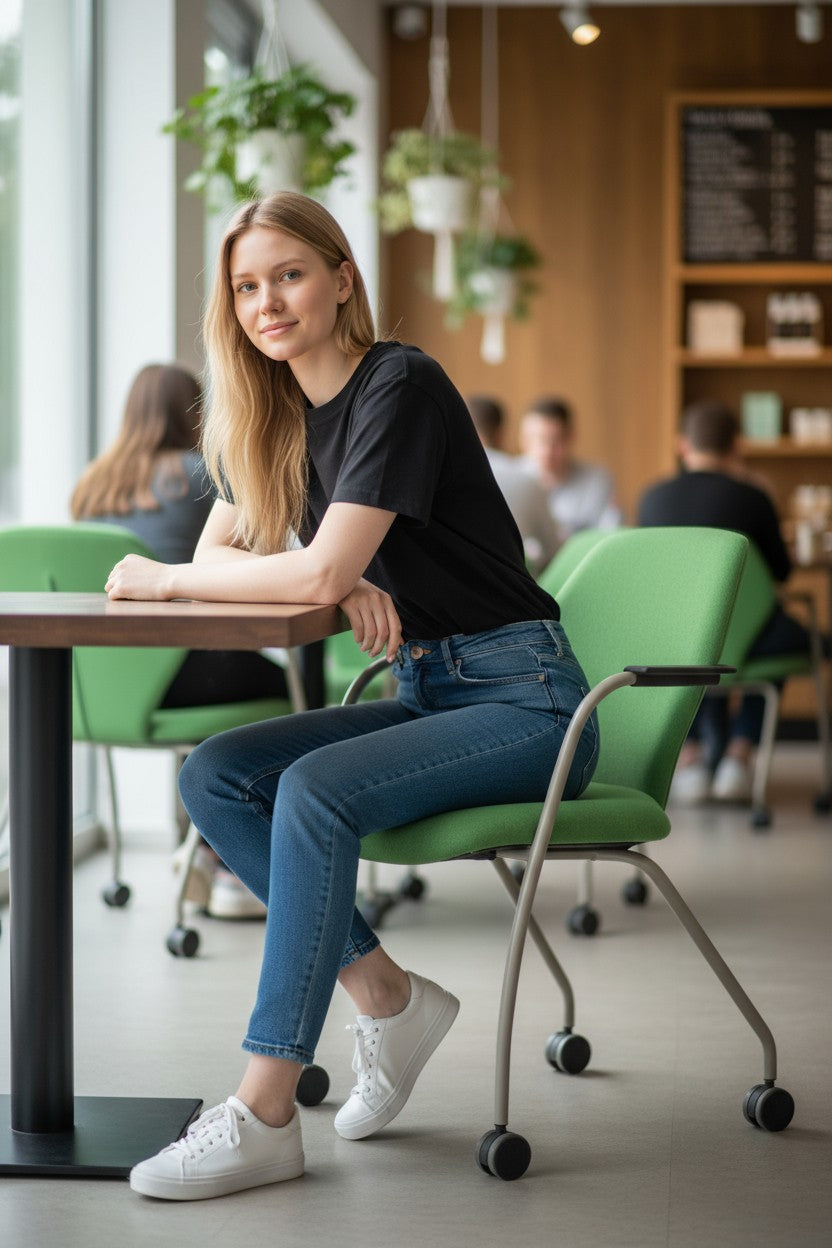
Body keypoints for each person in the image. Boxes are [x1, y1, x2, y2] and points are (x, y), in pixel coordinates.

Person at [104, 191, 600, 1203]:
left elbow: (254, 571)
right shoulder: (275, 414)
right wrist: (338, 574)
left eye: (288, 275)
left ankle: (264, 1113)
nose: (267, 302)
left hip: (529, 702)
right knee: (219, 775)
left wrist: (299, 573)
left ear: (341, 280)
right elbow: (222, 553)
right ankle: (386, 995)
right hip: (429, 687)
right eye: (246, 286)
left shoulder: (396, 384)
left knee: (313, 793)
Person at [71, 362, 291, 919]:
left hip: (95, 693)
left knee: (223, 685)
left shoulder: (92, 485)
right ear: (195, 414)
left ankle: (199, 848)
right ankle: (229, 861)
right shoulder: (200, 475)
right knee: (288, 694)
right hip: (186, 675)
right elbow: (256, 565)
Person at [638, 399, 810, 803]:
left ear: (682, 445)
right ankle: (739, 754)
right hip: (746, 639)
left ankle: (692, 756)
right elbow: (782, 572)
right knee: (791, 637)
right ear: (736, 445)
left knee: (696, 643)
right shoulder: (754, 498)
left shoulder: (652, 498)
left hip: (677, 643)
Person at [466, 394, 560, 573]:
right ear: (501, 432)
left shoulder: (439, 477)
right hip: (513, 581)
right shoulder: (528, 479)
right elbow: (553, 549)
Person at [519, 395, 622, 540]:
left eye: (556, 440)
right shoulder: (513, 479)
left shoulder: (597, 480)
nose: (547, 451)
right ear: (524, 440)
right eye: (539, 439)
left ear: (570, 437)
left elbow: (611, 533)